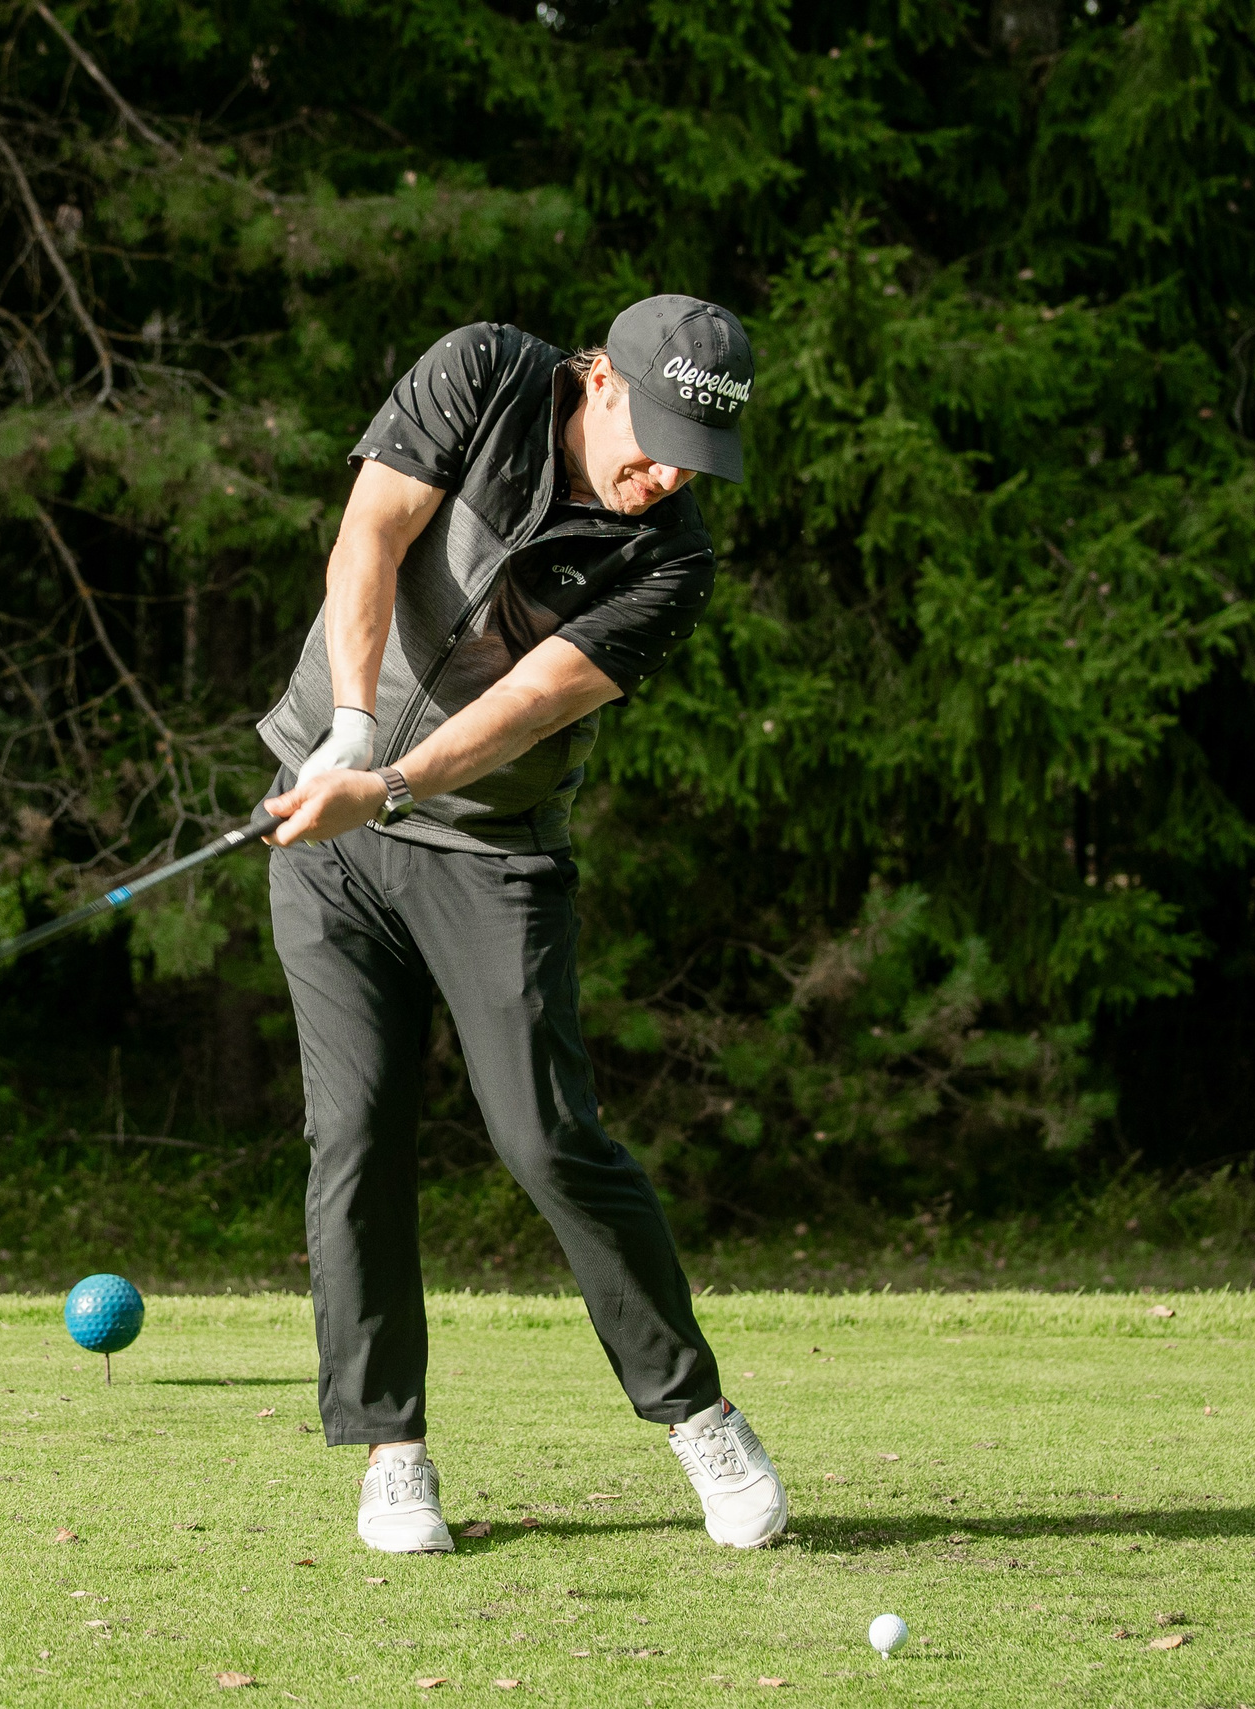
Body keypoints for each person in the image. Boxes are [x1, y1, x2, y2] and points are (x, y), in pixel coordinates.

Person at [257, 296, 787, 1555]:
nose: (660, 476)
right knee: (357, 1134)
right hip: (321, 815)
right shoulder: (483, 374)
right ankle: (392, 1452)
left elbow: (533, 703)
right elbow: (368, 541)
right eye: (650, 435)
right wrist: (344, 728)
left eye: (690, 461)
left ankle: (695, 1412)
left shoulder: (671, 564)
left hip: (488, 851)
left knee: (548, 1137)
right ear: (598, 380)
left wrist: (381, 783)